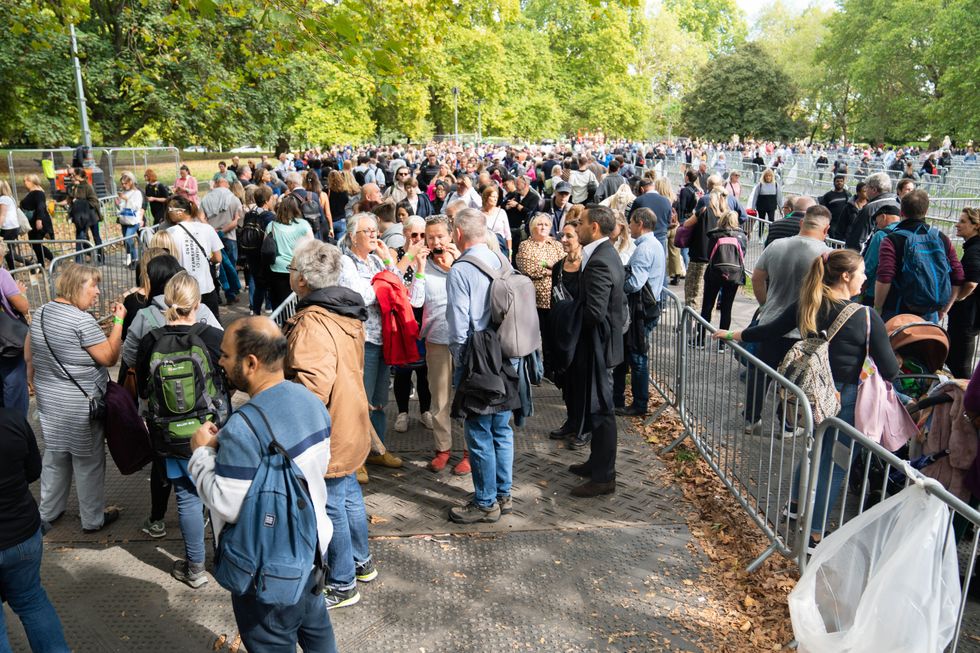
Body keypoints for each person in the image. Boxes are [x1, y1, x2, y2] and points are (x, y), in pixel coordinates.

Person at [717, 250, 899, 543]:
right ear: (845, 276)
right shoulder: (866, 317)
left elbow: (769, 330)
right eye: (863, 272)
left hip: (810, 393)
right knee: (835, 462)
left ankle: (795, 505)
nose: (867, 278)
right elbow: (890, 370)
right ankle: (814, 533)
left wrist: (731, 335)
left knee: (817, 449)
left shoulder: (808, 303)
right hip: (845, 397)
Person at [187, 317, 337, 652]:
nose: (220, 362)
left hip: (266, 570)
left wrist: (200, 455)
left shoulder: (243, 428)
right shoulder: (312, 401)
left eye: (225, 355)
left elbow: (227, 504)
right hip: (311, 553)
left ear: (250, 363)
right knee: (318, 634)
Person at [282, 240, 378, 610]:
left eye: (292, 269)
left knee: (334, 503)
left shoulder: (312, 323)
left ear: (303, 280)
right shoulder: (345, 310)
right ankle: (361, 561)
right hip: (351, 416)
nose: (290, 275)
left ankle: (343, 582)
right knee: (350, 493)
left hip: (331, 426)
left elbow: (312, 387)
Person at [134, 272, 226, 589]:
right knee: (216, 496)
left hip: (170, 433)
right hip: (209, 430)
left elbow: (143, 388)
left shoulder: (151, 340)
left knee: (187, 499)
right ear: (197, 303)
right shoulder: (213, 337)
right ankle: (225, 561)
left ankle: (195, 568)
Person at [28, 264, 126, 534]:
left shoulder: (43, 312)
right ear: (76, 287)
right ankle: (92, 519)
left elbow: (30, 346)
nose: (97, 292)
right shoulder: (81, 321)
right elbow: (109, 357)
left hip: (50, 400)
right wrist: (118, 322)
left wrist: (30, 371)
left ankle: (48, 511)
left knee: (56, 454)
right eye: (92, 286)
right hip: (81, 406)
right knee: (88, 461)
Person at [445, 208, 519, 523]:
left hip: (477, 354)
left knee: (477, 429)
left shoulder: (461, 269)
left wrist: (460, 362)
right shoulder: (500, 259)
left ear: (458, 234)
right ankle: (503, 493)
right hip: (505, 352)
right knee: (501, 428)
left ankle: (486, 502)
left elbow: (459, 324)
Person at [744, 206, 832, 434]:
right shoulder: (826, 254)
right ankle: (787, 424)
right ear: (826, 229)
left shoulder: (777, 245)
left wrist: (765, 305)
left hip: (770, 322)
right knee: (794, 381)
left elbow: (757, 278)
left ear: (802, 223)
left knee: (761, 372)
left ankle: (752, 419)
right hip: (803, 328)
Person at [566, 205, 626, 497]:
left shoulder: (601, 260)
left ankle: (604, 477)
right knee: (597, 407)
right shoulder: (603, 253)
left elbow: (595, 312)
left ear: (595, 228)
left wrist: (568, 312)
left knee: (602, 410)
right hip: (600, 344)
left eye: (581, 223)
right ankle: (596, 463)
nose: (576, 228)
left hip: (599, 347)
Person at [0, 407, 70, 652]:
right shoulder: (11, 420)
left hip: (20, 533)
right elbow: (33, 471)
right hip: (23, 534)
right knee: (31, 601)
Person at [408, 215, 469, 474]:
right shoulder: (422, 264)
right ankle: (443, 448)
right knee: (440, 398)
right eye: (429, 237)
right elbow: (416, 302)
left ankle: (470, 451)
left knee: (468, 398)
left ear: (451, 236)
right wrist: (420, 269)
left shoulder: (464, 262)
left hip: (465, 340)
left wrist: (454, 266)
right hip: (436, 339)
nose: (434, 242)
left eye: (440, 236)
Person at [340, 213, 400, 458]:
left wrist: (387, 262)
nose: (375, 234)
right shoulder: (346, 263)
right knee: (360, 402)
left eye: (376, 230)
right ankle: (358, 457)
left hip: (384, 337)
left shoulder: (376, 262)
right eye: (368, 231)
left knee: (379, 401)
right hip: (363, 340)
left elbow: (398, 287)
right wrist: (383, 287)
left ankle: (378, 449)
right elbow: (360, 297)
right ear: (354, 237)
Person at [874, 189, 964, 323]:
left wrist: (878, 308)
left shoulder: (891, 240)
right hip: (930, 312)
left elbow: (885, 277)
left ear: (901, 212)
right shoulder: (941, 238)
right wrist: (944, 309)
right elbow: (958, 275)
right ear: (926, 211)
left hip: (896, 311)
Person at [613, 207, 665, 416]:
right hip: (647, 308)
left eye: (632, 223)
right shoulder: (653, 244)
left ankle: (639, 403)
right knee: (634, 355)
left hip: (642, 311)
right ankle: (632, 400)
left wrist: (617, 281)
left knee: (638, 357)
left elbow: (635, 283)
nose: (630, 227)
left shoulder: (645, 248)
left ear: (640, 224)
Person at [391, 218, 433, 435]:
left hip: (424, 316)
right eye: (414, 235)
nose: (418, 239)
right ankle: (402, 413)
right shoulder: (395, 254)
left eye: (422, 235)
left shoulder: (429, 256)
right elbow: (392, 281)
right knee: (403, 370)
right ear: (405, 233)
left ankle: (426, 410)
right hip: (402, 318)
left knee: (425, 371)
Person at [515, 214, 564, 375]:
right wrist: (551, 269)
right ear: (532, 227)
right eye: (539, 224)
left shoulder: (556, 245)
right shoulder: (525, 245)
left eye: (546, 224)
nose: (543, 227)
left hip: (554, 299)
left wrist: (551, 269)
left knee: (552, 336)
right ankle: (534, 369)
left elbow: (563, 267)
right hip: (533, 300)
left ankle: (551, 368)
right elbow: (527, 268)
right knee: (533, 335)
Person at [695, 210, 747, 351]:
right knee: (726, 308)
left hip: (714, 273)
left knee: (707, 306)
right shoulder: (742, 236)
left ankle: (700, 339)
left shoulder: (714, 235)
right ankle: (723, 343)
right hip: (734, 275)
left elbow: (708, 254)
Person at [166, 196, 224, 318]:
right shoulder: (207, 228)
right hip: (206, 287)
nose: (168, 212)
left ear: (180, 212)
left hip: (183, 290)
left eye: (170, 209)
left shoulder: (171, 232)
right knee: (211, 326)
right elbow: (218, 258)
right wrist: (205, 260)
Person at [945, 208, 980, 377]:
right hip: (968, 317)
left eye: (963, 221)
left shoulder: (975, 250)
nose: (957, 225)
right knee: (955, 361)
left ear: (976, 226)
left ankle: (966, 401)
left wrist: (958, 298)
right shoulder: (973, 247)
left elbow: (972, 282)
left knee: (960, 365)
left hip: (966, 317)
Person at [266, 193, 314, 309]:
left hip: (277, 268)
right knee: (298, 302)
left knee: (279, 304)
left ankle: (281, 326)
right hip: (297, 268)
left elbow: (266, 246)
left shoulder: (271, 225)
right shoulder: (303, 225)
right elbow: (312, 244)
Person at [200, 178, 243, 305]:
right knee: (230, 266)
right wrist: (222, 231)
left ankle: (216, 294)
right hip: (229, 236)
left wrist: (212, 231)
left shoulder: (206, 199)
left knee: (214, 266)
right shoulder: (234, 199)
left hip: (211, 238)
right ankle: (230, 294)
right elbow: (238, 220)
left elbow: (201, 217)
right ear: (225, 185)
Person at [844, 172, 900, 251]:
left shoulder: (870, 208)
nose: (866, 191)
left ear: (874, 189)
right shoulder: (899, 203)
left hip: (873, 256)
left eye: (867, 187)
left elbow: (859, 239)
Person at [65, 168, 104, 263]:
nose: (71, 177)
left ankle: (101, 258)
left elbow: (94, 201)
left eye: (73, 175)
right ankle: (78, 261)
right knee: (80, 238)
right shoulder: (72, 187)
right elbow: (69, 200)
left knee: (96, 236)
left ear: (79, 176)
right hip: (80, 218)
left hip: (92, 217)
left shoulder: (88, 187)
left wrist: (80, 202)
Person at [629, 177, 672, 255]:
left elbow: (631, 219)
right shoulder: (666, 201)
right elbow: (669, 221)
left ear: (641, 189)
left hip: (644, 239)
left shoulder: (639, 200)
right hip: (661, 237)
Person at [19, 174, 54, 264]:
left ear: (32, 182)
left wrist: (39, 220)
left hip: (38, 222)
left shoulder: (38, 193)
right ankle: (42, 263)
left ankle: (52, 259)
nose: (24, 183)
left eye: (26, 181)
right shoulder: (32, 193)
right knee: (34, 243)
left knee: (36, 244)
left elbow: (40, 206)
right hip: (32, 223)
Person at [748, 168, 782, 238]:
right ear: (764, 176)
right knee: (761, 222)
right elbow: (755, 197)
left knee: (771, 221)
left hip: (771, 207)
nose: (768, 177)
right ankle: (760, 237)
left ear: (772, 177)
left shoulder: (776, 185)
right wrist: (753, 208)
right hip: (761, 207)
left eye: (769, 176)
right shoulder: (760, 185)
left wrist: (781, 208)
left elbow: (779, 197)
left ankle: (771, 236)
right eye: (766, 176)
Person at [327, 169, 357, 243]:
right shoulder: (344, 191)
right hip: (341, 219)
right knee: (341, 243)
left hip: (330, 220)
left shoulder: (327, 191)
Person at [480, 185, 511, 256]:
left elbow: (508, 234)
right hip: (485, 248)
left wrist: (510, 252)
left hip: (501, 248)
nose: (495, 199)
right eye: (493, 197)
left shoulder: (501, 212)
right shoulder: (479, 213)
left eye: (496, 197)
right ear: (486, 197)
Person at [0, 181, 19, 269]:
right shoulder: (10, 197)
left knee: (8, 253)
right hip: (13, 227)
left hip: (9, 228)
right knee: (10, 253)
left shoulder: (3, 199)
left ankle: (30, 264)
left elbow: (2, 215)